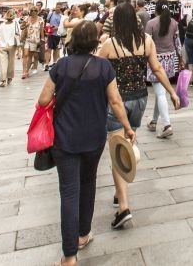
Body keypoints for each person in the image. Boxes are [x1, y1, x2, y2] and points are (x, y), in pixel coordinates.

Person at [37, 20, 134, 266]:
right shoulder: (103, 68)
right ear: (95, 41)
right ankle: (83, 234)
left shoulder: (61, 65)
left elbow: (43, 99)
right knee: (88, 182)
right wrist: (127, 127)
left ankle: (69, 255)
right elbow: (115, 101)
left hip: (64, 137)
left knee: (69, 191)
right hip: (93, 137)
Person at [97, 2, 179, 229]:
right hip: (140, 99)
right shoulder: (146, 41)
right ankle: (118, 191)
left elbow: (95, 72)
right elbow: (158, 69)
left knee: (117, 151)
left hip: (117, 102)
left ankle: (123, 207)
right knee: (126, 144)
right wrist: (172, 92)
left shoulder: (109, 45)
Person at [144, 3, 181, 138]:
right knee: (160, 92)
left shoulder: (151, 23)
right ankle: (154, 121)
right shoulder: (174, 23)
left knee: (160, 94)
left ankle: (167, 124)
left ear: (156, 9)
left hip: (155, 60)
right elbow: (177, 43)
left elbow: (146, 43)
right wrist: (180, 59)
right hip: (170, 60)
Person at [0, 9, 18, 87]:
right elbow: (18, 33)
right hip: (12, 45)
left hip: (2, 45)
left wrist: (0, 39)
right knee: (11, 62)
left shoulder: (2, 25)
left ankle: (3, 80)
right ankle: (9, 78)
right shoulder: (15, 24)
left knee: (3, 64)